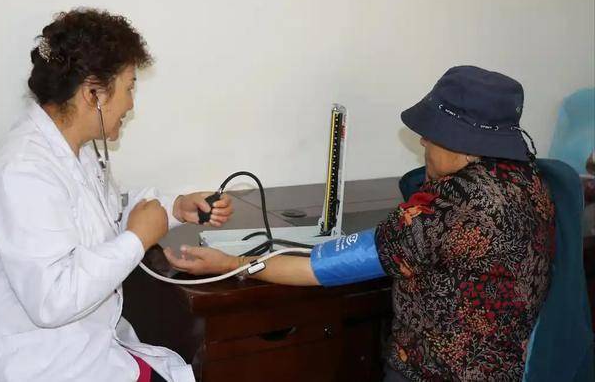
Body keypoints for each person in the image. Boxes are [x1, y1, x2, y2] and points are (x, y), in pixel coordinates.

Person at [165, 66, 555, 381]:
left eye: (432, 136)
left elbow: (323, 267)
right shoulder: (530, 181)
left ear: (463, 145)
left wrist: (232, 263)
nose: (423, 143)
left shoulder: (445, 211)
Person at [0, 8, 233, 382]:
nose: (131, 104)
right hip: (30, 364)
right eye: (129, 87)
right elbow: (53, 300)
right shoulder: (21, 172)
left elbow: (103, 216)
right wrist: (137, 239)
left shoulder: (75, 151)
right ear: (93, 93)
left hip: (77, 348)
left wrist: (173, 208)